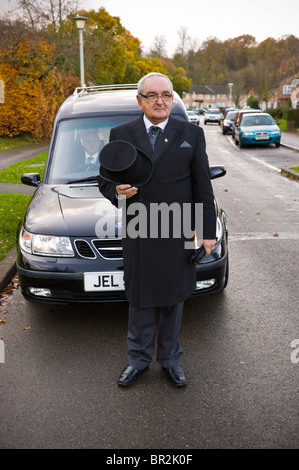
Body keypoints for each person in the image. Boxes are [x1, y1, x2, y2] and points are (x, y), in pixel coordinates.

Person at [98, 72, 216, 387]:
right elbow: (105, 179)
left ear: (173, 98)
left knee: (173, 299)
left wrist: (207, 233)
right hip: (139, 227)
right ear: (140, 101)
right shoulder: (121, 133)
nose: (160, 100)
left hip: (178, 227)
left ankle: (169, 361)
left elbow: (203, 187)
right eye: (152, 95)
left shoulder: (190, 133)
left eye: (165, 94)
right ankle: (137, 361)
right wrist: (116, 191)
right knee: (139, 300)